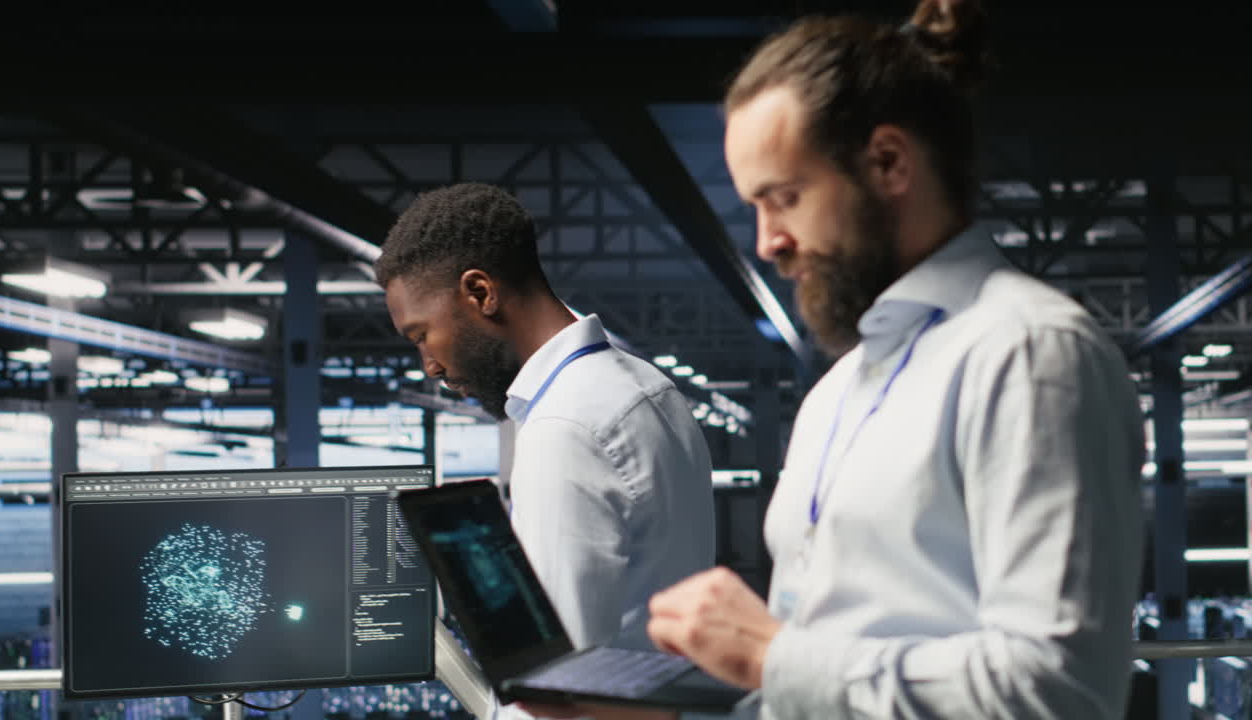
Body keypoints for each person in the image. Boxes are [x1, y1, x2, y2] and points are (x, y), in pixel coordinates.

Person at [521, 1, 1144, 718]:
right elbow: (816, 686)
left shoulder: (1027, 354)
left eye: (783, 198)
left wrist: (769, 654)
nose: (766, 242)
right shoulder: (841, 391)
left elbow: (1060, 689)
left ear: (888, 163)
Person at [375, 182, 717, 656]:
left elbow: (553, 680)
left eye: (422, 335)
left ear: (480, 292)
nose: (429, 366)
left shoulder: (565, 427)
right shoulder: (645, 384)